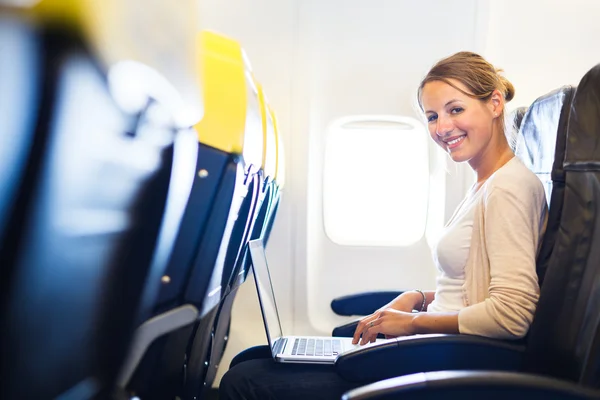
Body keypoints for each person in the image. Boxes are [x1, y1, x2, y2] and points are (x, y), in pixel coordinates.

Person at [219, 51, 548, 400]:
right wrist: (418, 299)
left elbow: (513, 313)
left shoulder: (508, 188)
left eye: (456, 110)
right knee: (252, 361)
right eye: (432, 116)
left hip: (451, 363)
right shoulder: (485, 183)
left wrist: (413, 323)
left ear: (495, 103)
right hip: (438, 348)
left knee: (246, 381)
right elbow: (471, 289)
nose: (442, 127)